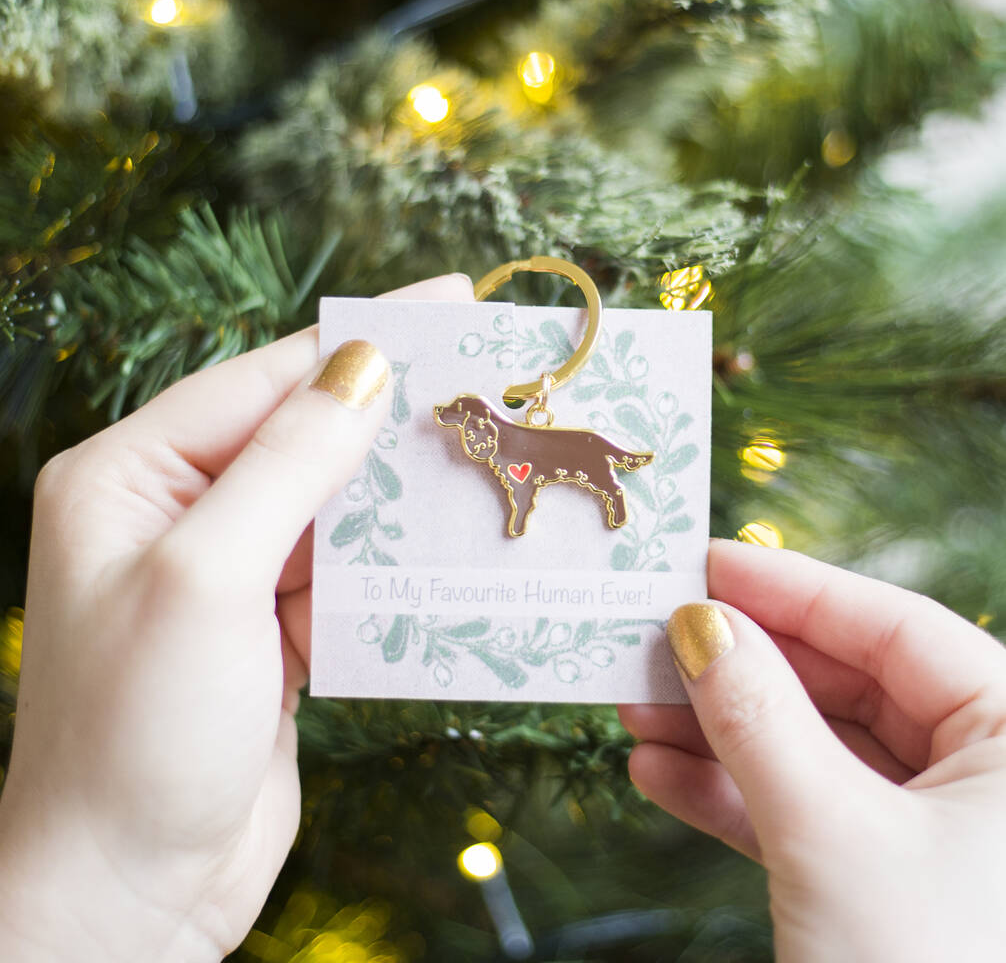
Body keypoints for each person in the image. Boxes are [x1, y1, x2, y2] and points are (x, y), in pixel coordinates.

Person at [0, 273, 1003, 962]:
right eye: (472, 425)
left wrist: (102, 902)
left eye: (471, 424)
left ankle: (608, 499)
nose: (464, 432)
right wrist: (114, 890)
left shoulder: (521, 441)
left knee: (600, 483)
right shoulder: (488, 439)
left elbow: (530, 475)